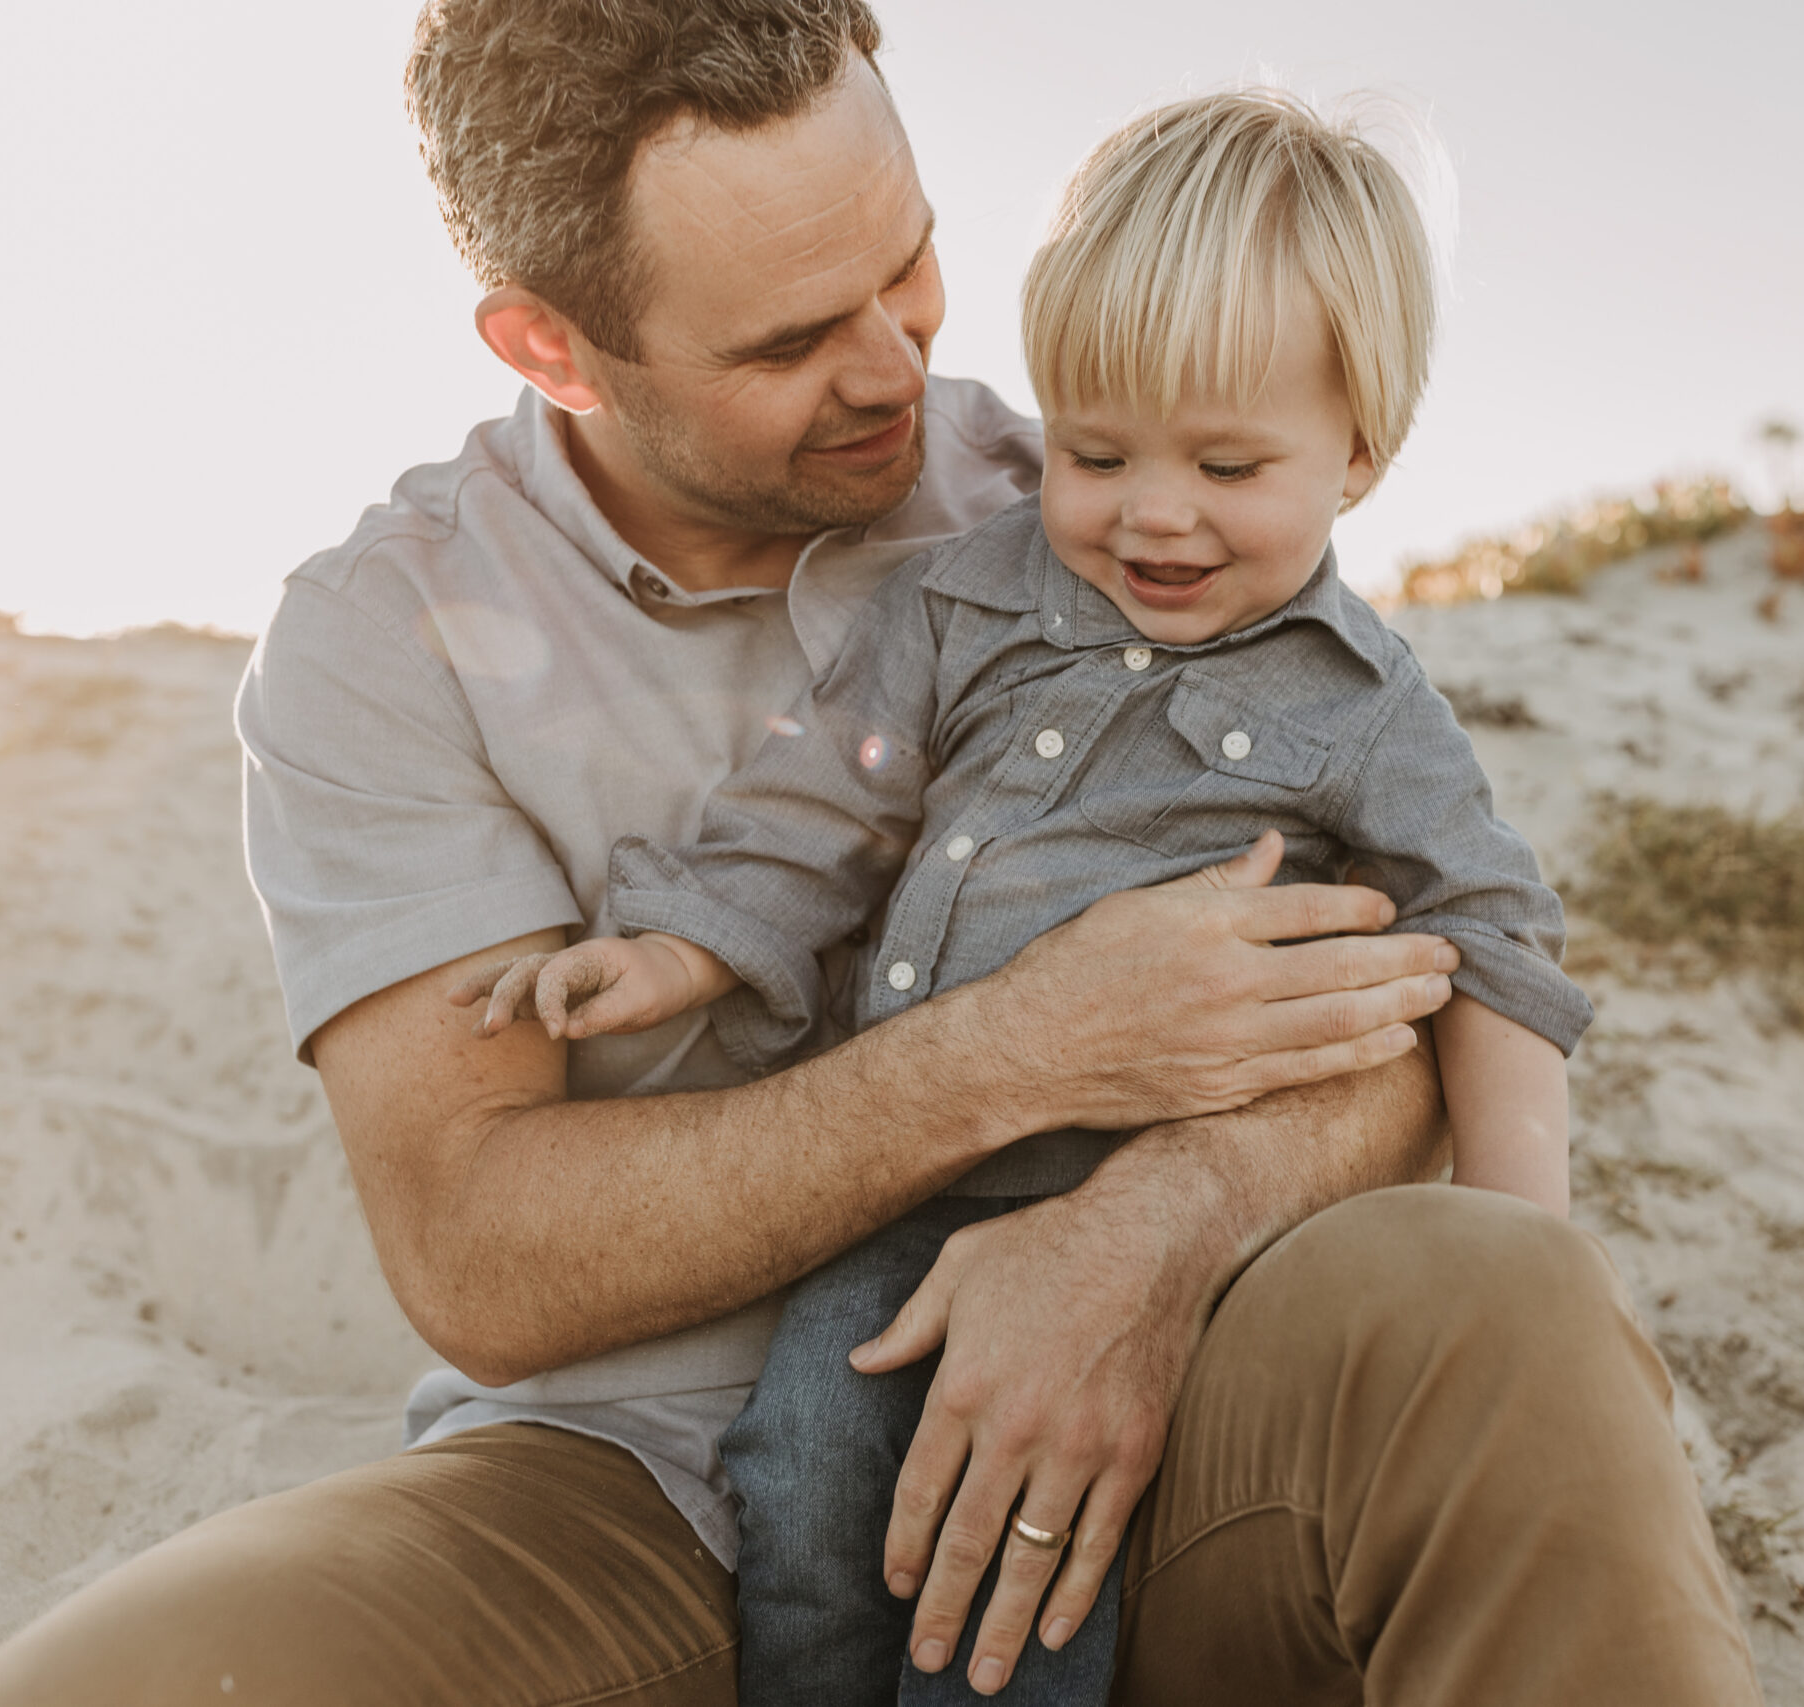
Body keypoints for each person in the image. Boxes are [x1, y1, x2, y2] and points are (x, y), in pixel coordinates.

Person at [0, 3, 1763, 1703]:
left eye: (909, 262)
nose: (900, 367)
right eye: (795, 339)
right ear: (551, 345)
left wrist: (1145, 1231)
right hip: (620, 1491)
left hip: (1154, 1438)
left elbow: (1415, 999)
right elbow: (485, 1256)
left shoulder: (1118, 511)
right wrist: (1014, 1052)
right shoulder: (380, 641)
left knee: (1506, 1307)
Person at [459, 88, 1590, 1705]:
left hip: (1137, 1223)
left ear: (1360, 452)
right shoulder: (962, 596)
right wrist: (683, 948)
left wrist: (1515, 1233)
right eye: (1099, 448)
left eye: (1229, 462)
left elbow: (1491, 942)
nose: (1154, 512)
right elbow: (822, 802)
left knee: (1038, 1557)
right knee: (803, 1481)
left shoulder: (1368, 707)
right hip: (898, 1198)